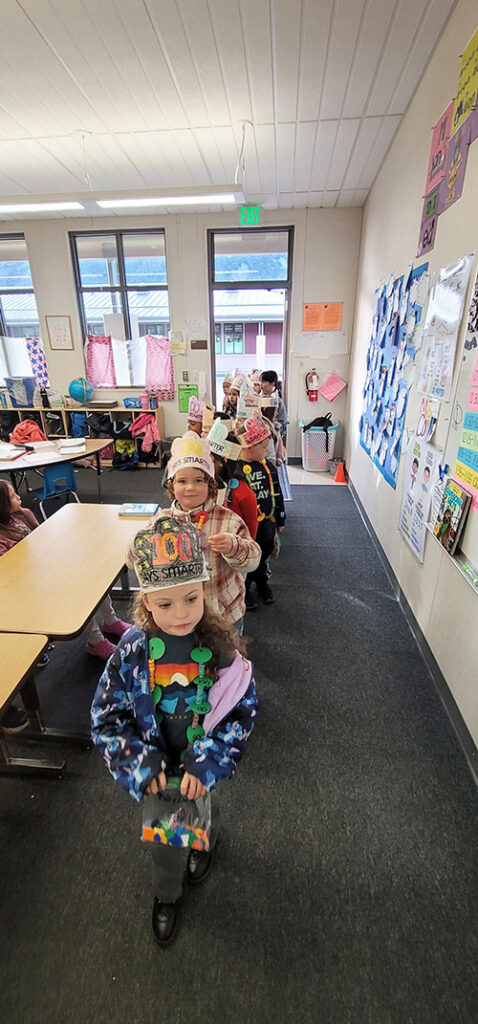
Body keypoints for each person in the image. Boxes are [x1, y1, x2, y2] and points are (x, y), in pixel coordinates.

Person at [91, 516, 258, 947]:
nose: (180, 614)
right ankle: (167, 895)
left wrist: (209, 764)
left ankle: (206, 845)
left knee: (208, 808)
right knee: (167, 843)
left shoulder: (221, 649)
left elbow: (241, 712)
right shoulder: (130, 652)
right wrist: (139, 764)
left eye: (190, 599)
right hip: (159, 776)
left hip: (201, 768)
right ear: (146, 601)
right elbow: (107, 717)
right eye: (165, 605)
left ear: (203, 590)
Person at [0, 480, 130, 660]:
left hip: (47, 565)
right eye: (13, 497)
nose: (19, 497)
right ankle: (95, 641)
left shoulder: (24, 514)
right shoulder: (2, 538)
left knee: (94, 576)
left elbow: (42, 536)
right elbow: (10, 573)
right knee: (78, 594)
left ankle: (111, 621)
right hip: (30, 583)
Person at [148, 432, 260, 633]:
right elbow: (133, 561)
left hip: (223, 612)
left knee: (227, 659)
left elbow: (253, 560)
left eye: (199, 480)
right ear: (172, 486)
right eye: (182, 481)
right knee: (191, 663)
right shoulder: (161, 521)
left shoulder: (228, 520)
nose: (190, 487)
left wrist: (233, 546)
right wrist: (143, 547)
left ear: (210, 485)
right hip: (181, 617)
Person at [237, 413, 286, 608]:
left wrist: (281, 519)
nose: (268, 451)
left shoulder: (269, 468)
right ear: (249, 445)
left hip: (267, 523)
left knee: (264, 555)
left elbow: (278, 494)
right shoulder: (236, 469)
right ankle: (246, 588)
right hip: (246, 526)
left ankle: (262, 583)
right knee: (247, 557)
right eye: (264, 447)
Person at [206, 418, 258, 539]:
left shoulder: (242, 492)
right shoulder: (202, 483)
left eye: (209, 456)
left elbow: (251, 530)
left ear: (222, 461)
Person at [260, 371, 287, 436]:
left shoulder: (279, 401)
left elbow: (283, 422)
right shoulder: (258, 398)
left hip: (274, 436)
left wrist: (275, 431)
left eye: (263, 382)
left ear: (272, 384)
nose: (260, 384)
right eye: (260, 381)